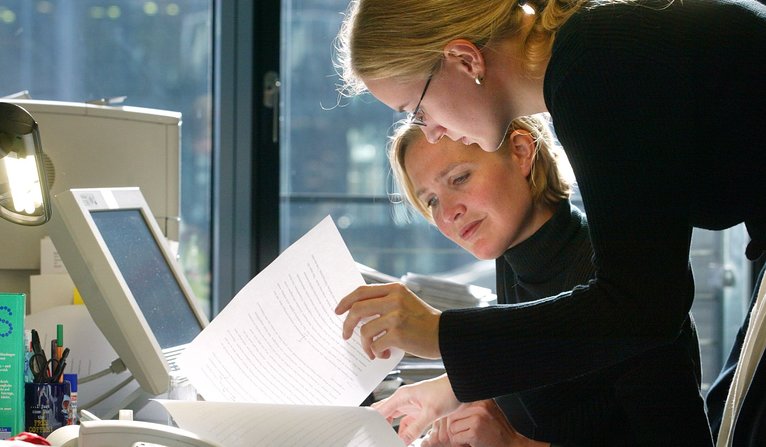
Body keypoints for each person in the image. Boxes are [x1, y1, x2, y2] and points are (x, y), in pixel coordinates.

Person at [332, 0, 766, 445]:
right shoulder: (586, 63)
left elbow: (644, 304)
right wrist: (455, 383)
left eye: (417, 111)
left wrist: (442, 336)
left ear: (465, 59)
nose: (430, 132)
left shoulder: (594, 65)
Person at [384, 116, 706, 446]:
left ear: (522, 152)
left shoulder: (619, 277)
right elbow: (557, 370)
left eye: (460, 178)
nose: (447, 213)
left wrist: (515, 445)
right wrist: (462, 392)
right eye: (432, 200)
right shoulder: (515, 256)